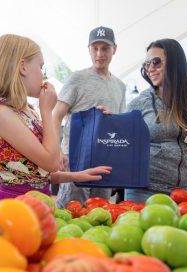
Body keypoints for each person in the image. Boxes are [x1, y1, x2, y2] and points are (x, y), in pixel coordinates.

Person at [0, 34, 112, 200]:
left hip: (37, 202)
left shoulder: (26, 110)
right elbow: (51, 163)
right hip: (16, 207)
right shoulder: (0, 113)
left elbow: (35, 175)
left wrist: (76, 176)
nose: (43, 75)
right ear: (23, 67)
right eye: (40, 67)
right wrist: (47, 111)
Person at [53, 26, 126, 208]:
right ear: (89, 49)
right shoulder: (77, 78)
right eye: (95, 48)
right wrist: (58, 151)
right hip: (75, 157)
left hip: (105, 160)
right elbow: (56, 115)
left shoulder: (120, 86)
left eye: (105, 48)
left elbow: (119, 124)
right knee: (70, 209)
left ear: (114, 49)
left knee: (98, 211)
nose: (99, 53)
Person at [125, 38, 187, 203]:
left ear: (175, 63)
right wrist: (109, 123)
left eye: (156, 62)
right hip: (143, 194)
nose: (150, 69)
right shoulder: (138, 104)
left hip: (184, 195)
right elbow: (121, 147)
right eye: (147, 64)